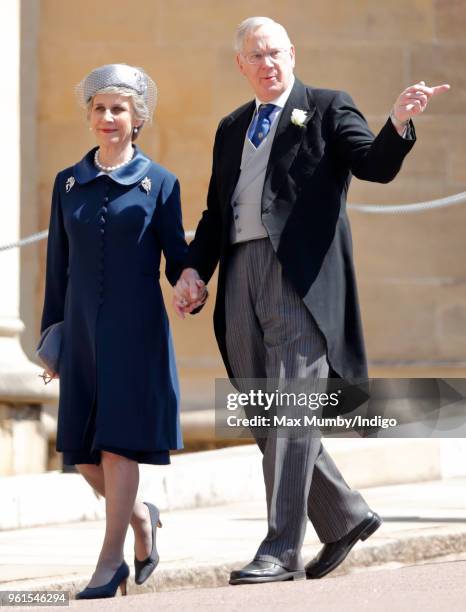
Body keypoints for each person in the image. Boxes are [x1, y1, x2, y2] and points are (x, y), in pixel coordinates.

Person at [173, 17, 450, 584]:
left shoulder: (326, 106)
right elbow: (212, 216)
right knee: (262, 410)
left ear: (292, 54)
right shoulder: (230, 128)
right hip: (240, 273)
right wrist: (190, 270)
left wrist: (398, 122)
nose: (268, 62)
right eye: (256, 55)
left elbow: (373, 165)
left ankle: (280, 549)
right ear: (241, 65)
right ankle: (344, 516)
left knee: (292, 405)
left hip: (299, 278)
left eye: (276, 52)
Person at [39, 64, 191, 599]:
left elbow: (177, 255)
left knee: (118, 447)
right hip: (80, 332)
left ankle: (110, 563)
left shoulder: (161, 183)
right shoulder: (68, 182)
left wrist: (190, 278)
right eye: (100, 108)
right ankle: (142, 519)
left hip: (135, 332)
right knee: (81, 452)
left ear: (137, 118)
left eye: (118, 109)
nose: (108, 117)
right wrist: (51, 340)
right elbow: (56, 266)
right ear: (89, 116)